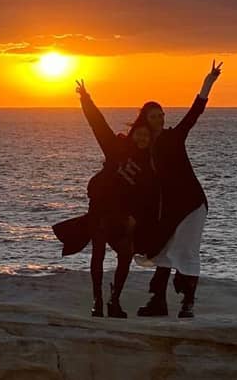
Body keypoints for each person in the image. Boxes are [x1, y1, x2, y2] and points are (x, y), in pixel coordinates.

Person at [136, 59, 223, 319]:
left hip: (193, 205)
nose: (160, 119)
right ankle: (158, 303)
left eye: (161, 115)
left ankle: (188, 303)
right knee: (162, 252)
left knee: (186, 251)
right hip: (171, 208)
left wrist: (208, 83)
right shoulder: (142, 147)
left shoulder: (175, 136)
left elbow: (195, 112)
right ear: (145, 120)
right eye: (154, 116)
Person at [70, 79, 157, 318]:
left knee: (125, 255)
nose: (142, 139)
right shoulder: (115, 147)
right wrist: (85, 99)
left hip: (122, 216)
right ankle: (98, 301)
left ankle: (114, 300)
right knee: (97, 254)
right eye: (139, 134)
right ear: (133, 133)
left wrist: (134, 219)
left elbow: (145, 198)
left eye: (146, 137)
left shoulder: (149, 166)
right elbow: (98, 124)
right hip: (100, 210)